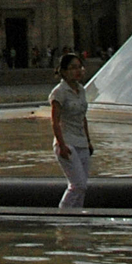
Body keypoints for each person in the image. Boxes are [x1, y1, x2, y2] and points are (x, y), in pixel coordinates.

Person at [50, 53, 94, 211]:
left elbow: (83, 118)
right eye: (73, 67)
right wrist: (61, 144)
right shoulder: (59, 92)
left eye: (80, 67)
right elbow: (55, 121)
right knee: (77, 185)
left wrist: (88, 141)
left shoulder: (81, 90)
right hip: (67, 142)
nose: (78, 71)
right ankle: (63, 216)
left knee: (82, 188)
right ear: (63, 71)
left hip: (82, 143)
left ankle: (77, 219)